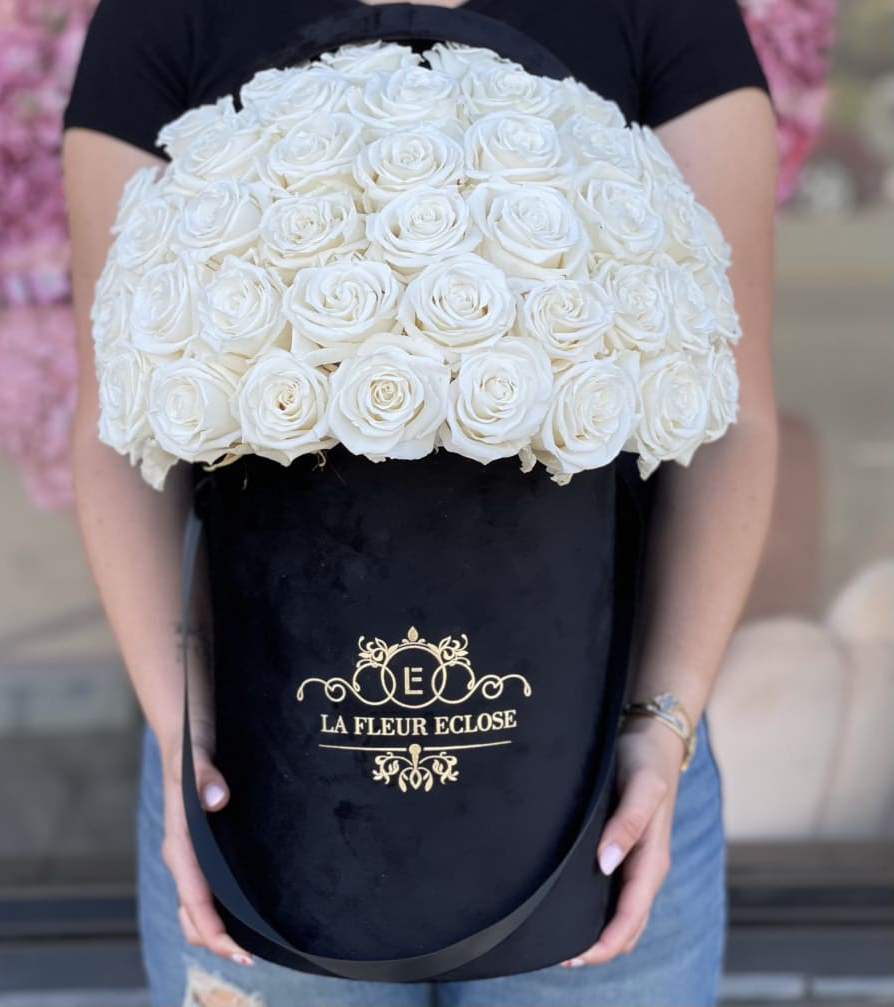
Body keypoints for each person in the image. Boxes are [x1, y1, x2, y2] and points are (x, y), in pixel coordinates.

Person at [61, 0, 778, 1003]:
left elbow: (733, 415)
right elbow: (114, 419)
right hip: (260, 743)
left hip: (603, 747)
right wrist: (179, 712)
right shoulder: (168, 16)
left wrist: (660, 718)